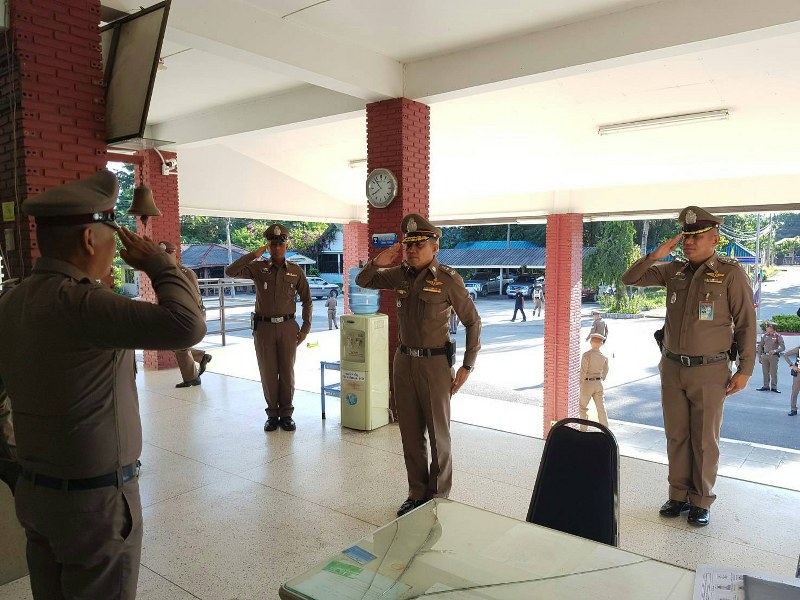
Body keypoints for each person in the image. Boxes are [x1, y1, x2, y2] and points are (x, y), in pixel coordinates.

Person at [0, 169, 206, 599]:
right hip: (93, 504)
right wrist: (160, 264)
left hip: (36, 492)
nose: (116, 249)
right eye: (112, 235)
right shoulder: (86, 304)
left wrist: (15, 466)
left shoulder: (12, 301)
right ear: (90, 239)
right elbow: (187, 326)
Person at [621, 205, 755, 527]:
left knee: (705, 440)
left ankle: (701, 500)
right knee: (676, 435)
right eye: (686, 237)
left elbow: (746, 323)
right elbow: (630, 278)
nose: (689, 243)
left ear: (715, 239)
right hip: (672, 367)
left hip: (710, 370)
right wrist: (656, 255)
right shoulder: (673, 270)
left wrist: (746, 369)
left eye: (697, 237)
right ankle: (678, 495)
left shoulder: (731, 273)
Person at [356, 213, 481, 517]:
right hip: (404, 363)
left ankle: (437, 497)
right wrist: (378, 261)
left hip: (435, 365)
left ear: (434, 247)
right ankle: (416, 494)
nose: (412, 250)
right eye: (408, 245)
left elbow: (472, 321)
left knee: (438, 435)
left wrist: (467, 365)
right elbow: (363, 280)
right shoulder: (399, 275)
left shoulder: (448, 280)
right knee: (410, 434)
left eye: (419, 244)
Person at [225, 224, 312, 432]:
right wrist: (255, 254)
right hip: (263, 328)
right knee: (268, 372)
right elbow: (230, 271)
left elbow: (307, 300)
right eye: (273, 245)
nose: (277, 248)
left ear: (286, 245)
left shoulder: (295, 271)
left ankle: (287, 414)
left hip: (288, 327)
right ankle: (273, 415)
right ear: (268, 246)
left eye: (281, 244)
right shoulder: (258, 268)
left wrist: (306, 327)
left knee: (287, 372)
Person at [160, 241, 213, 388]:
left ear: (174, 255)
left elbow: (195, 298)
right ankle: (200, 358)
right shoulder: (165, 274)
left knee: (179, 344)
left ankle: (192, 377)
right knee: (172, 343)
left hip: (191, 314)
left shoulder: (185, 273)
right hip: (175, 315)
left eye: (167, 255)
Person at [579, 333, 609, 430]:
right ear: (601, 344)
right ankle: (605, 430)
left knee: (582, 407)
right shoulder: (604, 356)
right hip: (599, 383)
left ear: (591, 342)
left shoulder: (586, 355)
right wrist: (601, 378)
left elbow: (583, 371)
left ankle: (583, 429)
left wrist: (580, 383)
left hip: (588, 383)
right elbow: (605, 372)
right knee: (601, 408)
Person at [756, 322, 784, 392]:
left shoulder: (778, 336)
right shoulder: (765, 336)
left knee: (773, 372)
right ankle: (766, 386)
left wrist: (775, 350)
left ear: (771, 328)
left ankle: (774, 387)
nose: (766, 328)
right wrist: (759, 356)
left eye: (767, 327)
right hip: (765, 356)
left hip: (773, 357)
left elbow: (783, 347)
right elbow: (760, 346)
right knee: (765, 372)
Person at [782, 345, 800, 416]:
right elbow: (786, 354)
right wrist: (792, 365)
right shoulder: (798, 349)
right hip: (798, 373)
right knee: (795, 391)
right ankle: (793, 409)